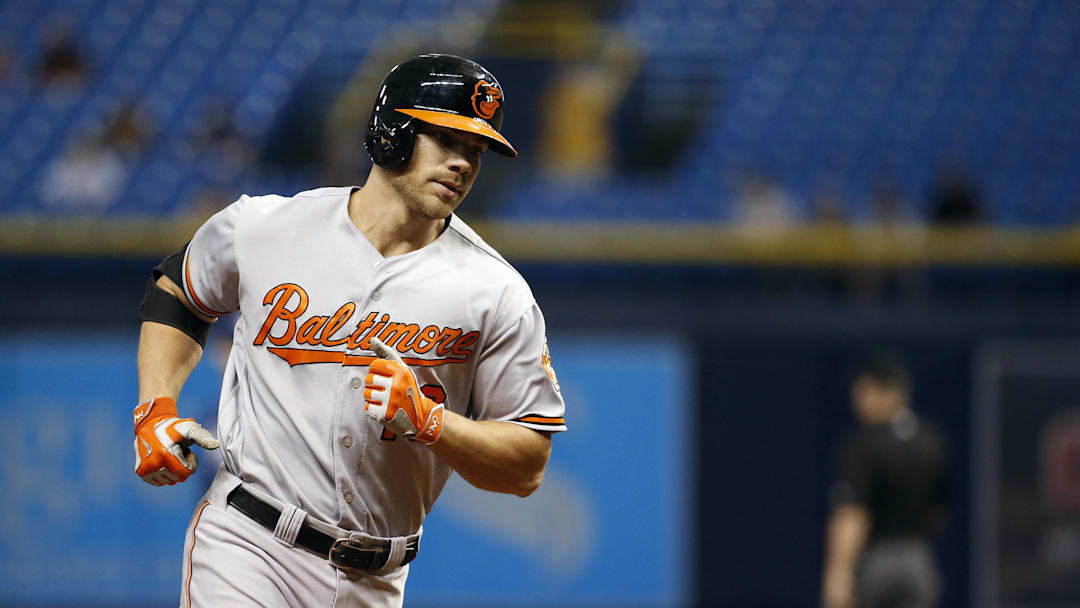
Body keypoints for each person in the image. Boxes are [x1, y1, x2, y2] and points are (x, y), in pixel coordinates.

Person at [132, 54, 567, 607]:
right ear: (391, 134)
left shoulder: (495, 291)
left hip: (376, 578)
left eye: (476, 152)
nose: (462, 163)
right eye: (447, 140)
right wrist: (155, 406)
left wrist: (434, 423)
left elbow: (527, 463)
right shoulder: (268, 227)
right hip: (249, 543)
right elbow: (178, 289)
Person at [821, 353, 947, 608]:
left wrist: (839, 573)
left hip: (877, 563)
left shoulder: (864, 446)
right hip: (919, 562)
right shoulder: (931, 442)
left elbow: (852, 513)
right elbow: (939, 512)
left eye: (865, 392)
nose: (859, 402)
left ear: (888, 393)